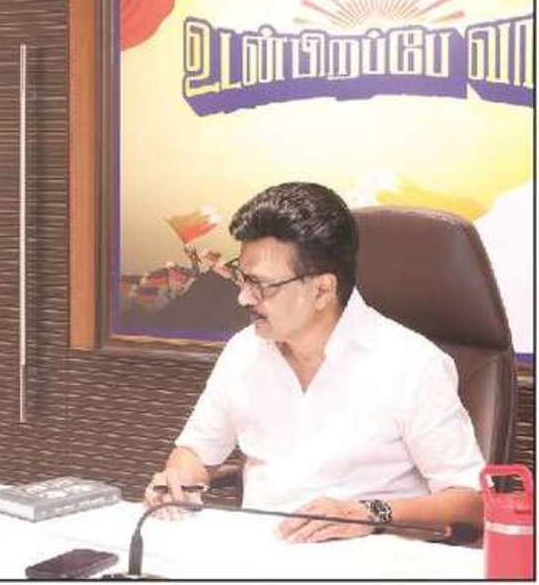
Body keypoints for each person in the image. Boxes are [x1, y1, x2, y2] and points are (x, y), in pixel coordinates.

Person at [146, 182, 485, 543]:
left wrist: (369, 514)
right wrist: (178, 484)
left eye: (261, 285)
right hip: (259, 554)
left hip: (369, 560)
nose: (244, 298)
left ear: (322, 289)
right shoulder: (244, 351)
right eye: (243, 278)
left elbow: (471, 503)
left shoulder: (412, 363)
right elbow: (196, 453)